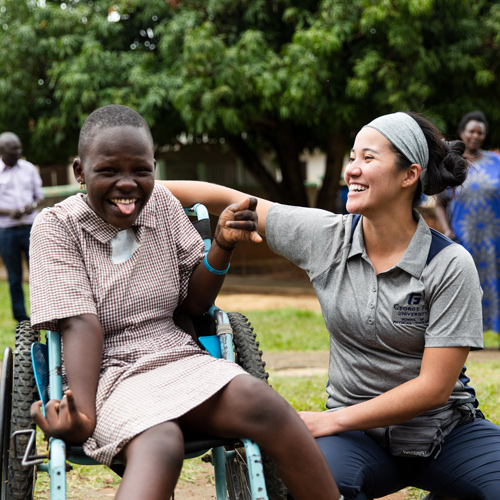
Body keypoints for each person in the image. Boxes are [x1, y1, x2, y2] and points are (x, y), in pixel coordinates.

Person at [162, 111, 500, 500]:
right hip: (356, 439)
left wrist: (328, 420)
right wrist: (134, 186)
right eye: (352, 157)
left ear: (410, 175)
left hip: (443, 432)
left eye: (368, 159)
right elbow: (224, 198)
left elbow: (434, 388)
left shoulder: (449, 264)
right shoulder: (326, 238)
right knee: (315, 485)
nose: (351, 170)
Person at [28, 105, 340, 500]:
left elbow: (194, 305)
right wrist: (84, 416)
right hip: (105, 370)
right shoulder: (56, 227)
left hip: (175, 355)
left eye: (140, 170)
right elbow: (80, 325)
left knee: (267, 405)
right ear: (79, 172)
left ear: (154, 166)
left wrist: (222, 245)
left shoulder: (161, 204)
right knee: (162, 442)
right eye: (108, 171)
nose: (128, 184)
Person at [435, 111, 500, 344]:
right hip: (463, 237)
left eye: (480, 132)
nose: (475, 135)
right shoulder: (453, 162)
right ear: (462, 133)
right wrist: (446, 230)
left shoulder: (496, 162)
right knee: (464, 284)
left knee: (495, 281)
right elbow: (439, 203)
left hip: (495, 239)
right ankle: (464, 337)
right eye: (471, 131)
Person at [0, 132, 44, 322]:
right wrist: (9, 211)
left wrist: (31, 207)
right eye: (14, 150)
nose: (19, 152)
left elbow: (39, 196)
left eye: (19, 148)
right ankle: (21, 318)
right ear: (2, 151)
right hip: (6, 231)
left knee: (38, 273)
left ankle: (42, 313)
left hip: (30, 228)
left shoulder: (29, 169)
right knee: (14, 277)